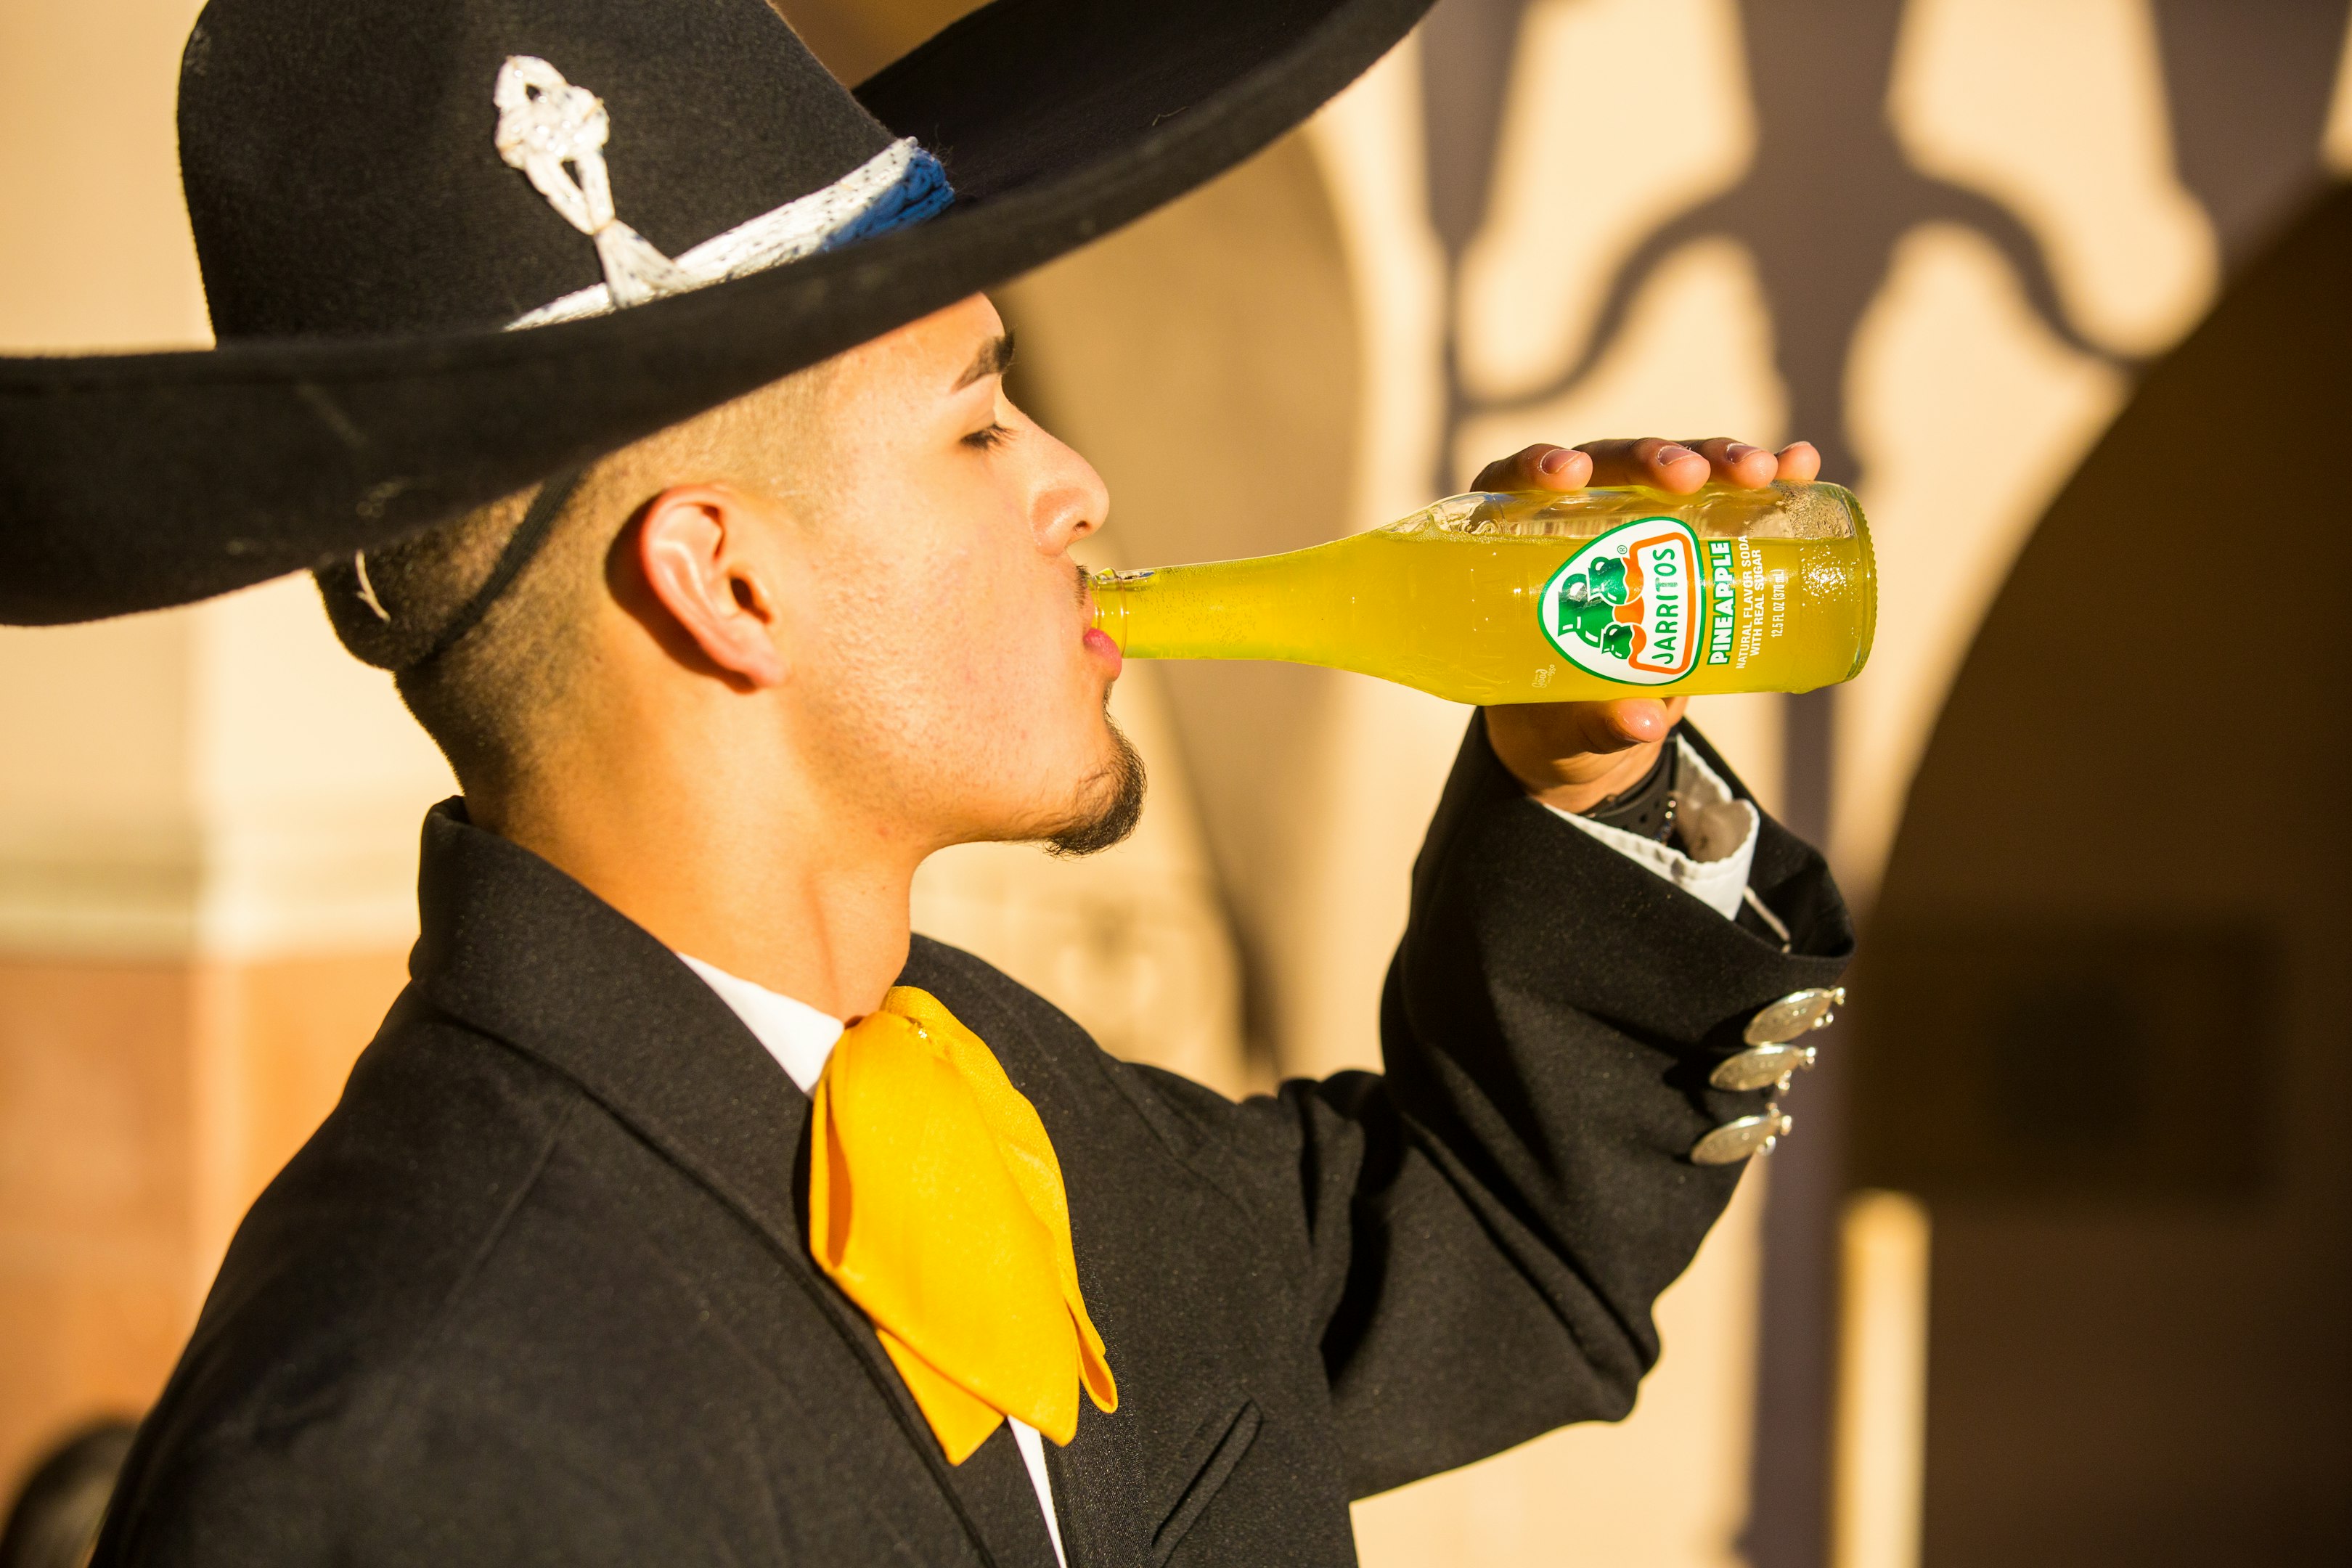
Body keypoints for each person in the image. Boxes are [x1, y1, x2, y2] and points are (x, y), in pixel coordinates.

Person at [0, 0, 1853, 1561]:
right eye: (980, 420)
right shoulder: (404, 1467)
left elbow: (1486, 1255)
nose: (1076, 484)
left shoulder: (998, 1090)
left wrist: (1581, 766)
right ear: (729, 582)